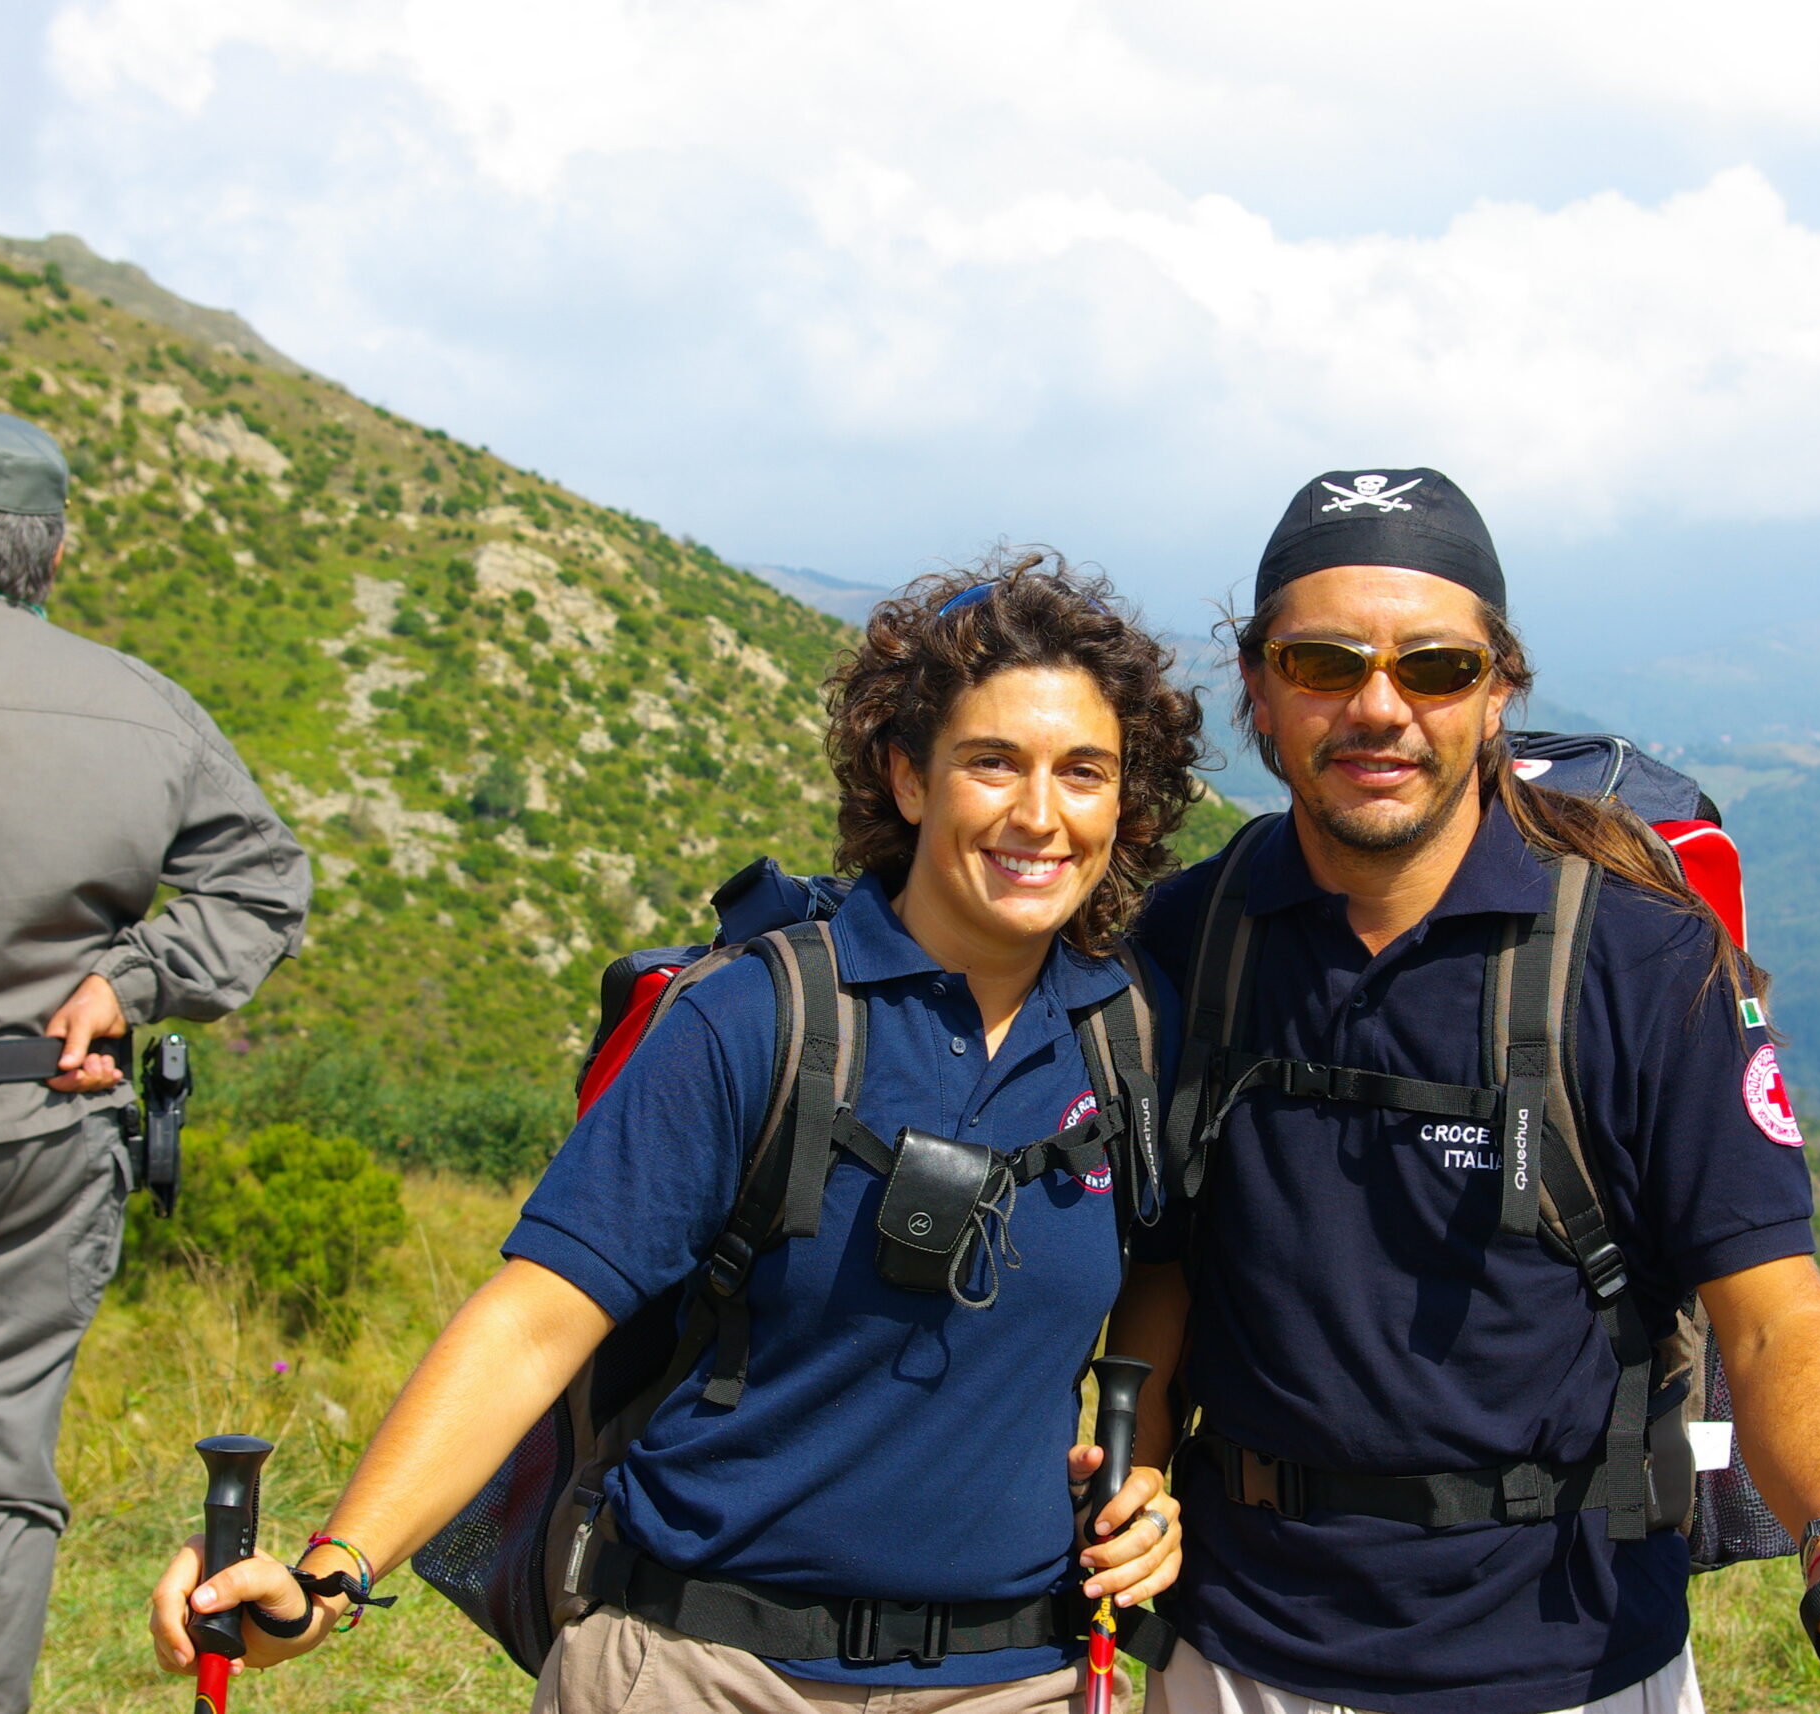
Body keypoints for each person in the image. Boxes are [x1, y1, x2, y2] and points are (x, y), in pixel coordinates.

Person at [151, 557, 1200, 1714]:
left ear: (1124, 802)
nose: (1038, 814)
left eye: (1083, 772)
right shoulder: (762, 1016)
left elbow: (1162, 1261)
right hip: (699, 1670)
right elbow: (538, 1316)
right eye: (990, 761)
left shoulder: (1129, 1035)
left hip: (1020, 1680)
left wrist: (1143, 1464)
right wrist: (335, 1569)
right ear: (908, 776)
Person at [1107, 470, 1820, 1714]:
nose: (1378, 706)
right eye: (1323, 661)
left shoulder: (1641, 960)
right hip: (1241, 1648)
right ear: (1256, 683)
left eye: (1437, 668)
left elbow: (1772, 1306)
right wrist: (1127, 1489)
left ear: (1501, 687)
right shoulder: (1191, 938)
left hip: (1568, 1656)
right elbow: (1165, 1263)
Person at [0, 412, 312, 1714]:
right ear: (51, 552)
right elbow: (264, 887)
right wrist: (129, 982)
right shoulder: (142, 708)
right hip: (48, 1135)